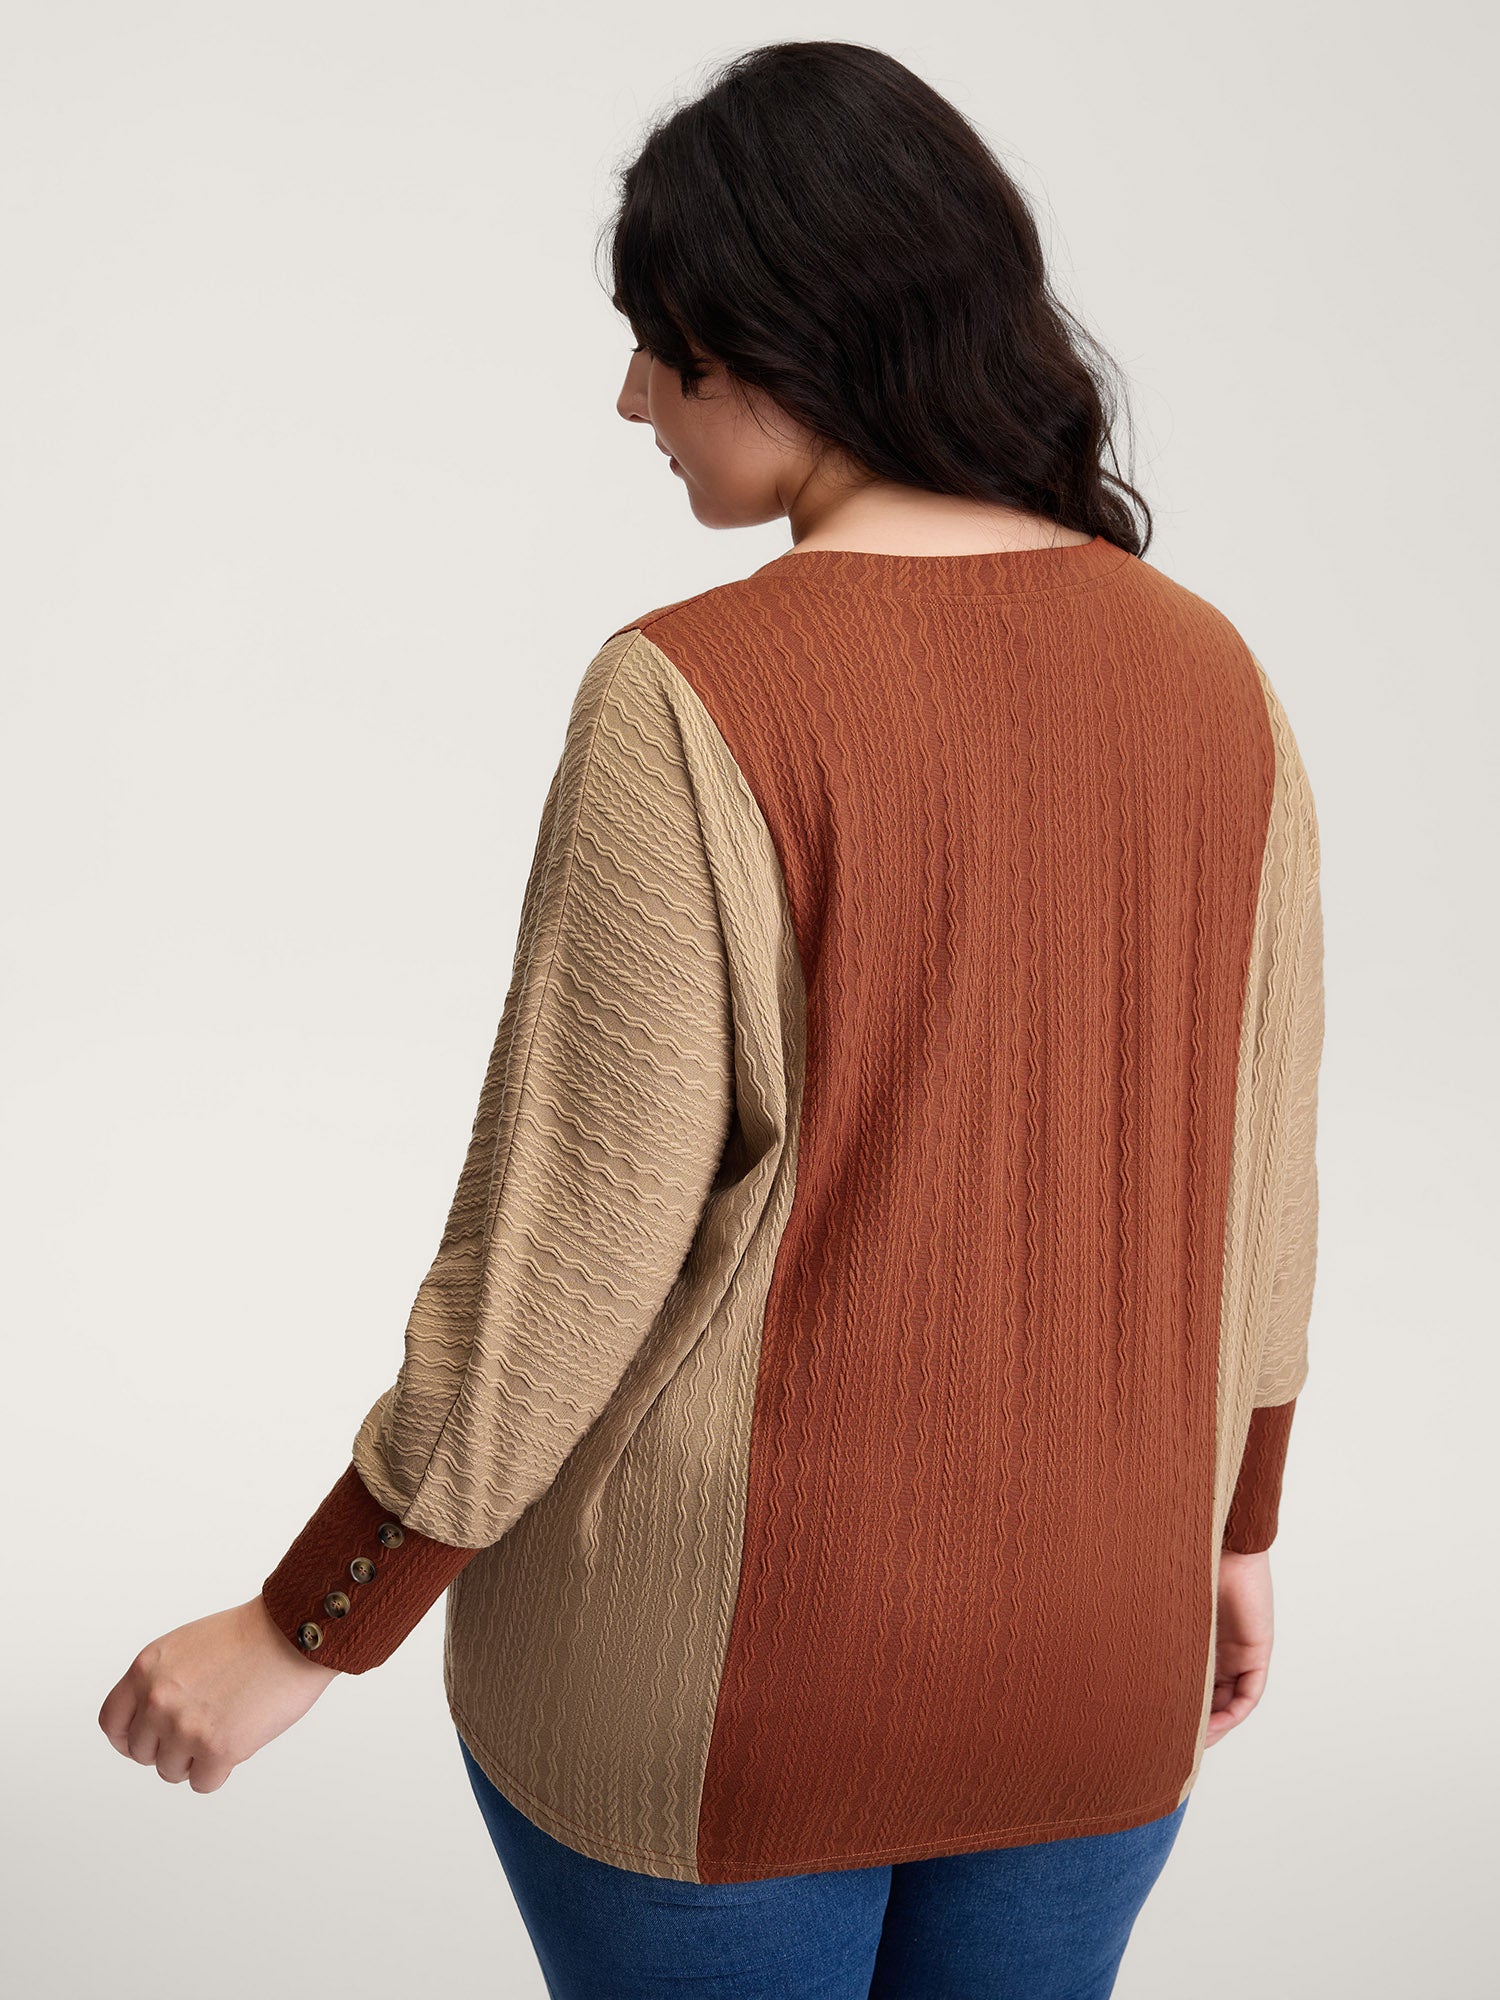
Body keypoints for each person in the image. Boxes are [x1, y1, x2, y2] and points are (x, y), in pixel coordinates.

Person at [98, 40, 1325, 2000]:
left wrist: (308, 1621)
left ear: (787, 338)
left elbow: (563, 1250)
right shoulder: (1215, 679)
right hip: (1107, 1666)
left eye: (663, 348)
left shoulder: (689, 696)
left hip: (725, 1707)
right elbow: (1265, 1180)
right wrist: (1233, 1529)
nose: (633, 401)